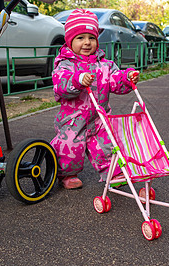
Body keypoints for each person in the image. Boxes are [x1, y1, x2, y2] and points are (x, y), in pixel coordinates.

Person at [51, 9, 139, 189]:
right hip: (73, 118)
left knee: (107, 145)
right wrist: (77, 79)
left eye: (91, 38)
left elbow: (115, 80)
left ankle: (112, 172)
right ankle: (67, 174)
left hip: (99, 117)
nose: (87, 43)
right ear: (69, 40)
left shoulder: (104, 65)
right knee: (70, 147)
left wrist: (126, 78)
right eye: (80, 38)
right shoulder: (65, 64)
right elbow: (60, 83)